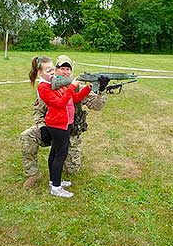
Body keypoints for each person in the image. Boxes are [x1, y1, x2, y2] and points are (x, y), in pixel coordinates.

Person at [20, 55, 110, 188]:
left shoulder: (75, 86)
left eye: (68, 69)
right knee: (27, 136)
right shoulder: (48, 87)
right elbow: (38, 111)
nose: (65, 72)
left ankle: (54, 179)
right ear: (55, 70)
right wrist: (42, 127)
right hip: (53, 127)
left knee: (71, 170)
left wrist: (100, 89)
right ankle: (33, 174)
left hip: (71, 131)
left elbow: (97, 106)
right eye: (62, 68)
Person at [29, 56, 91, 197]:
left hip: (66, 123)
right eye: (48, 70)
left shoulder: (55, 83)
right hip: (57, 125)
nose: (52, 72)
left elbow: (74, 98)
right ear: (40, 72)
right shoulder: (43, 87)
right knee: (60, 155)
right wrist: (72, 86)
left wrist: (87, 88)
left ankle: (54, 181)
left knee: (54, 153)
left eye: (52, 69)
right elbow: (59, 103)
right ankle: (56, 188)